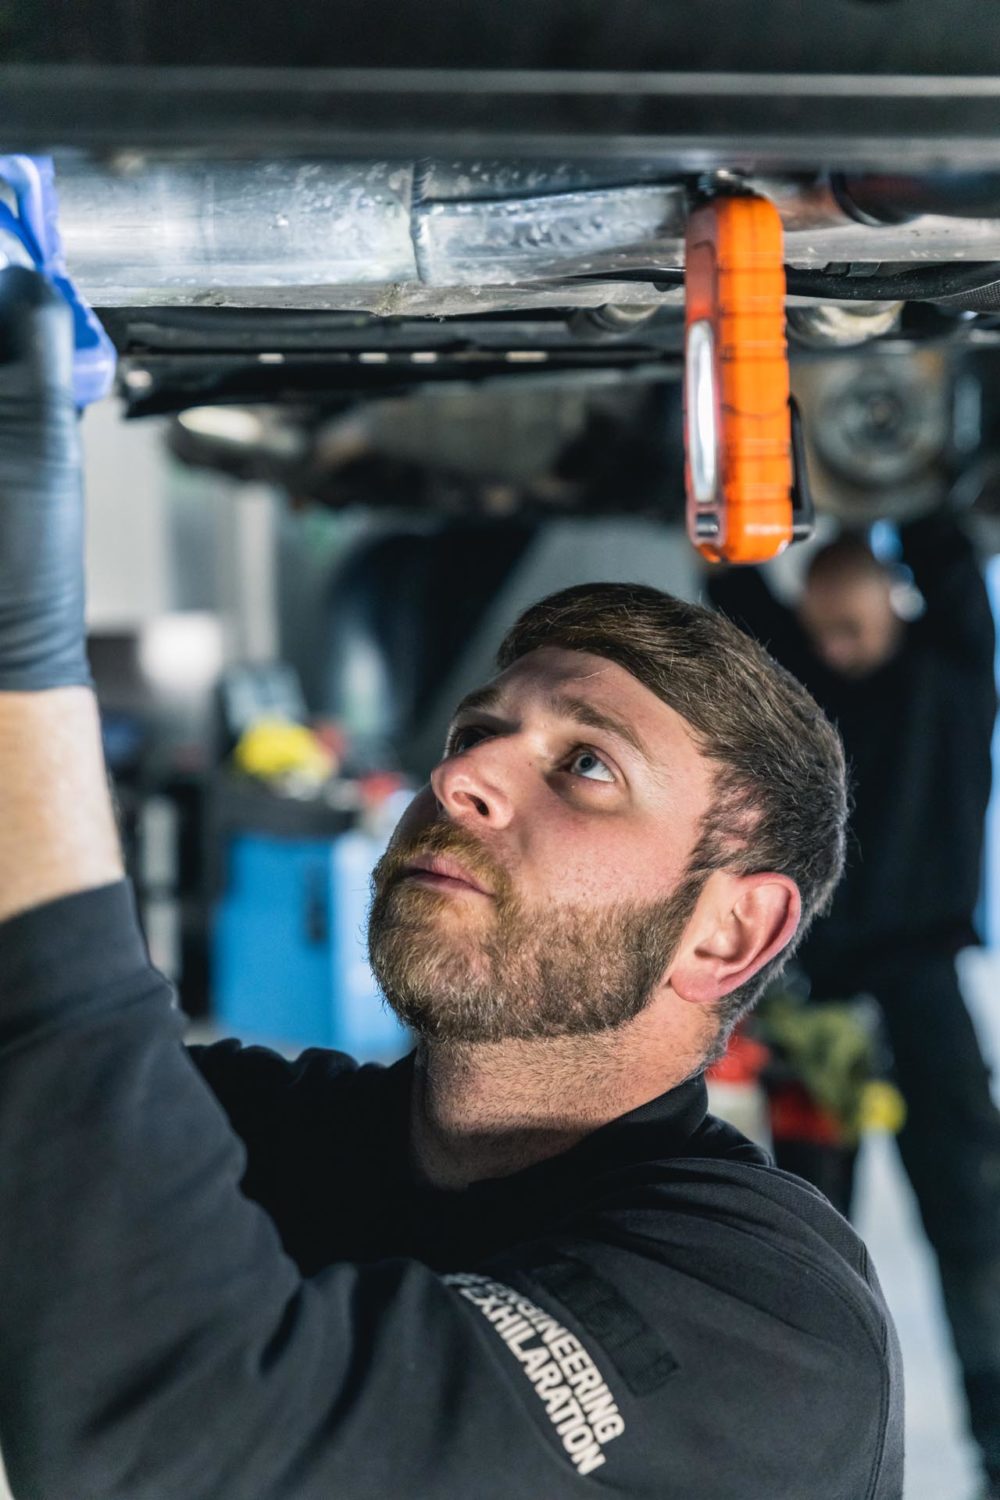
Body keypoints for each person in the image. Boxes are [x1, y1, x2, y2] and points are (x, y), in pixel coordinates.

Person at [0, 264, 903, 1500]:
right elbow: (46, 1109)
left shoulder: (767, 1324)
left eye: (583, 765)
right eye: (476, 730)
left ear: (730, 930)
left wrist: (20, 672)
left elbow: (187, 1449)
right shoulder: (321, 1143)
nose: (467, 770)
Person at [710, 520, 1000, 1497]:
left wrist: (889, 471)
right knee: (808, 1242)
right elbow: (730, 574)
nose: (834, 648)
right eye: (818, 630)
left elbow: (943, 542)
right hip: (815, 1005)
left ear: (895, 603)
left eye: (851, 626)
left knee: (972, 1229)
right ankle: (812, 1470)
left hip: (922, 997)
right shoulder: (799, 682)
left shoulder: (953, 666)